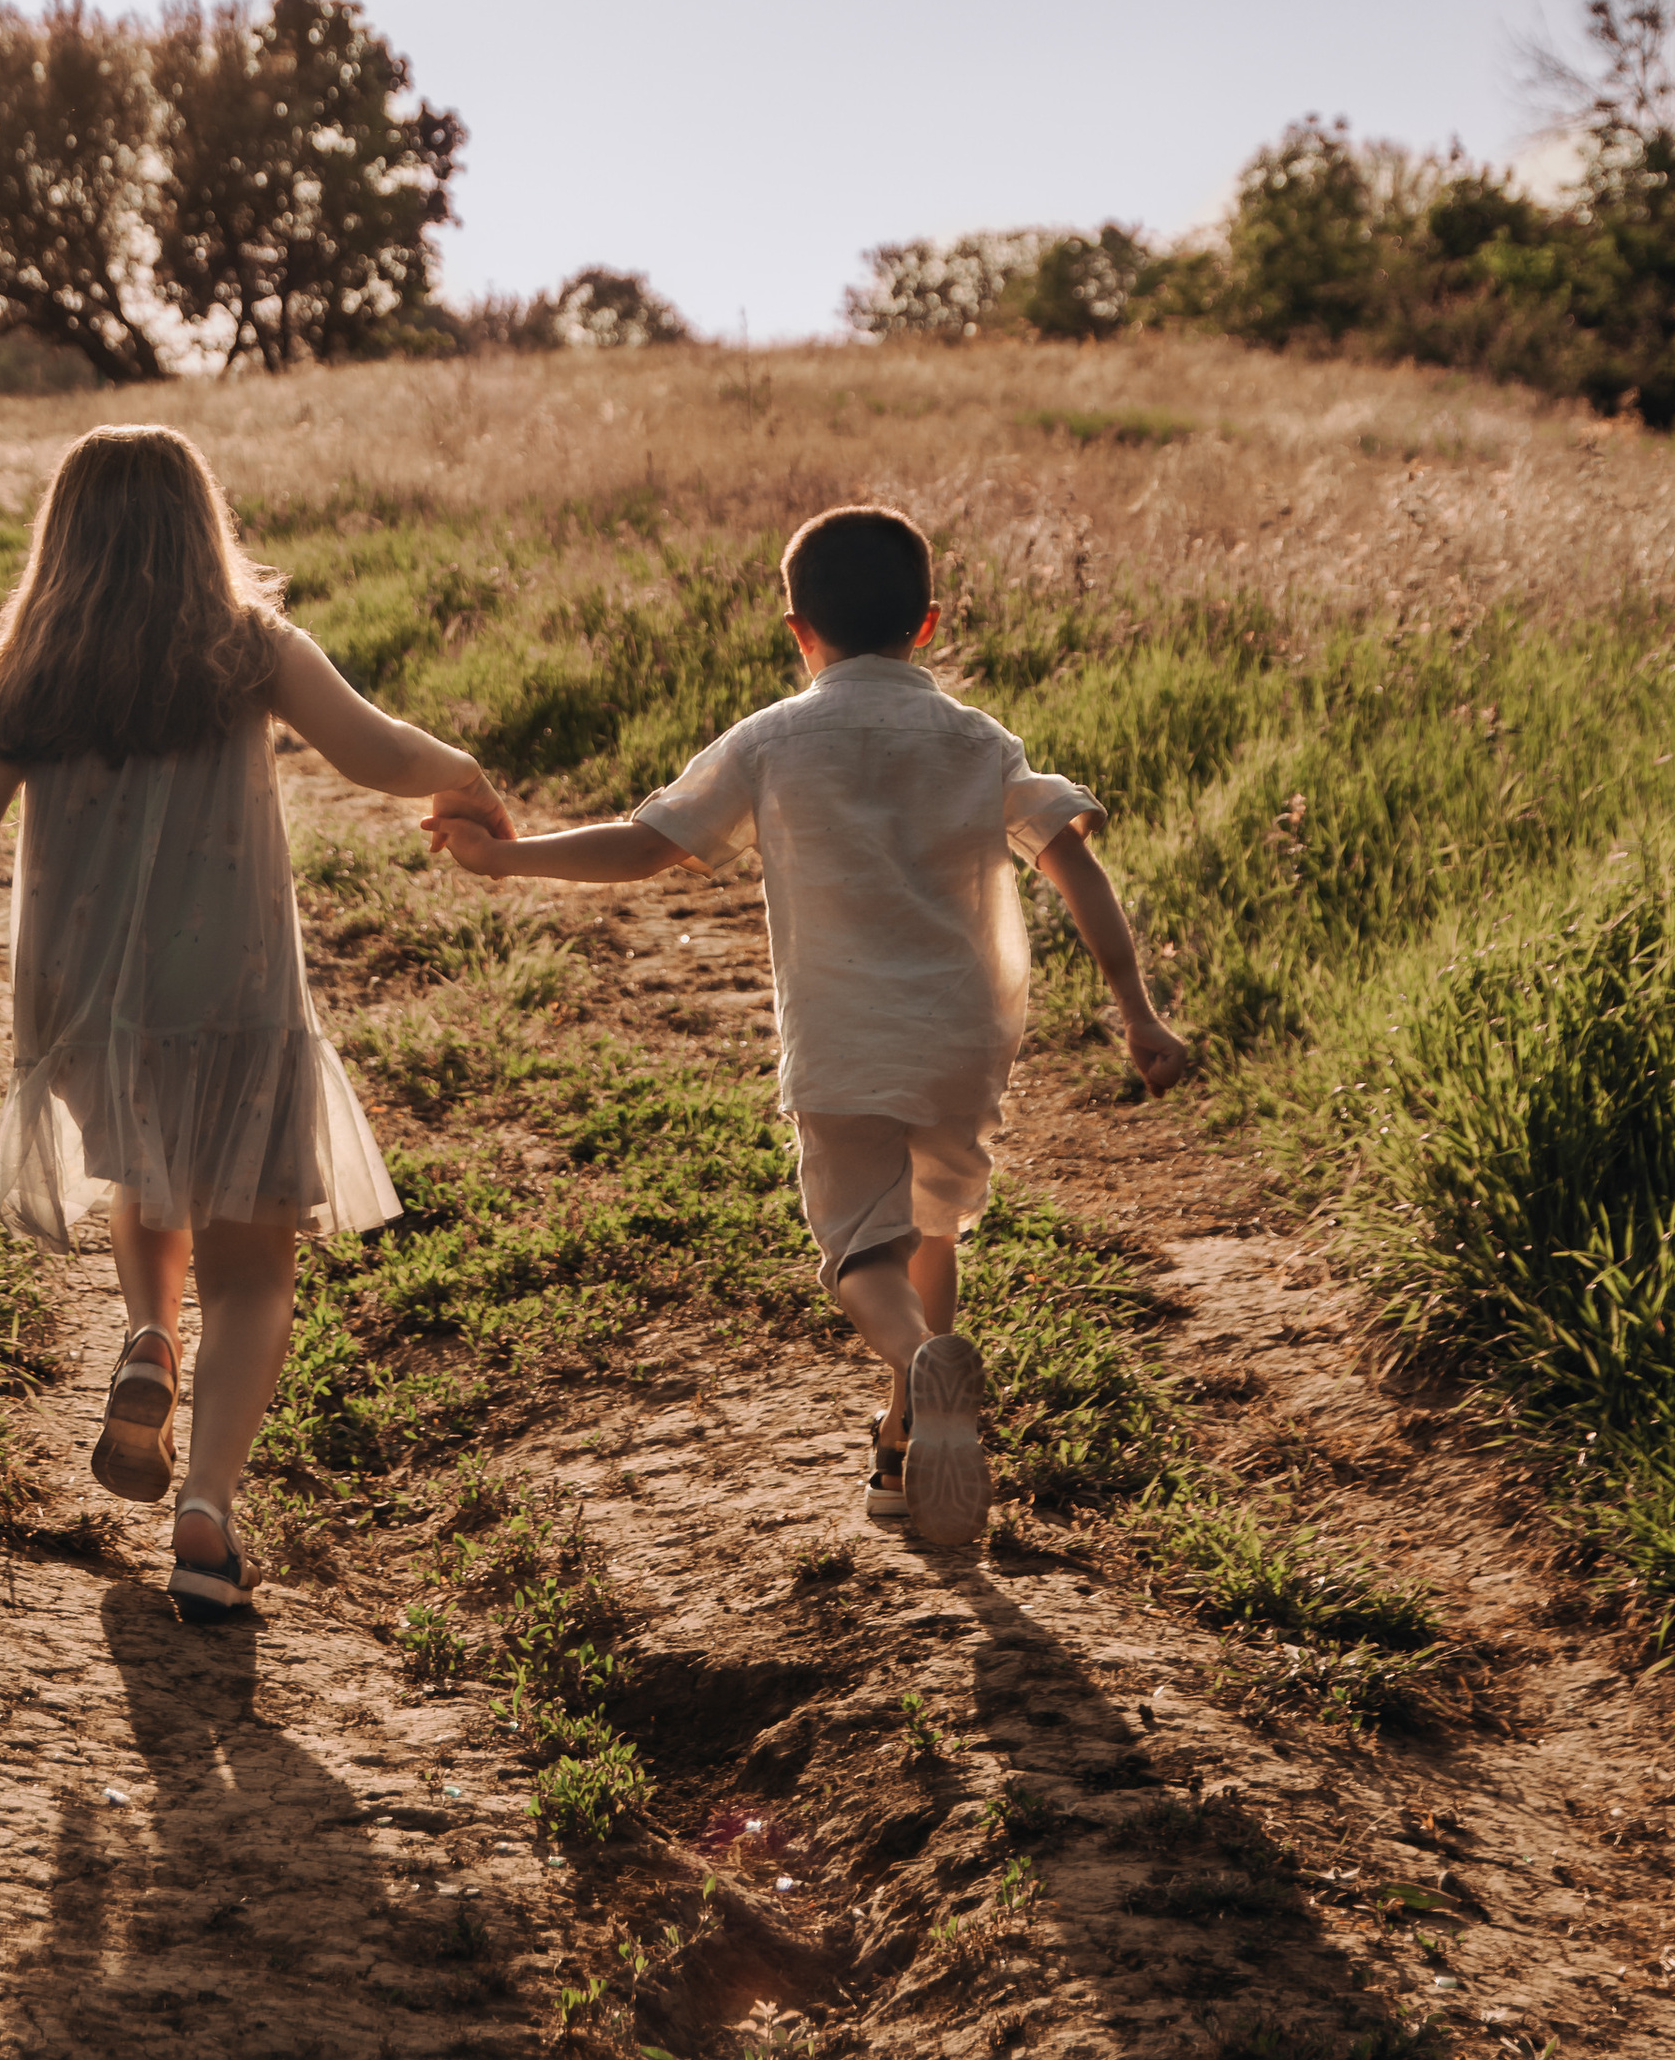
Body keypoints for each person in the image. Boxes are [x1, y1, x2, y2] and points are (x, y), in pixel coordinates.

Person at [0, 425, 510, 1622]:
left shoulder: (32, 668)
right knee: (254, 1267)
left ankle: (149, 1335)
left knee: (143, 1176)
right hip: (234, 989)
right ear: (204, 525)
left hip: (86, 995)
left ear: (64, 534)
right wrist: (462, 774)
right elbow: (372, 751)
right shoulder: (250, 649)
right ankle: (206, 1510)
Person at [425, 500, 1190, 1547]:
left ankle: (918, 1371)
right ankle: (905, 1448)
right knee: (931, 1228)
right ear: (927, 624)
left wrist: (503, 858)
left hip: (842, 1039)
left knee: (860, 1253)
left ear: (798, 631)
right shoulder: (978, 739)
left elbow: (646, 844)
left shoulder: (775, 737)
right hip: (964, 1038)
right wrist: (1135, 1011)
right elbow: (1071, 860)